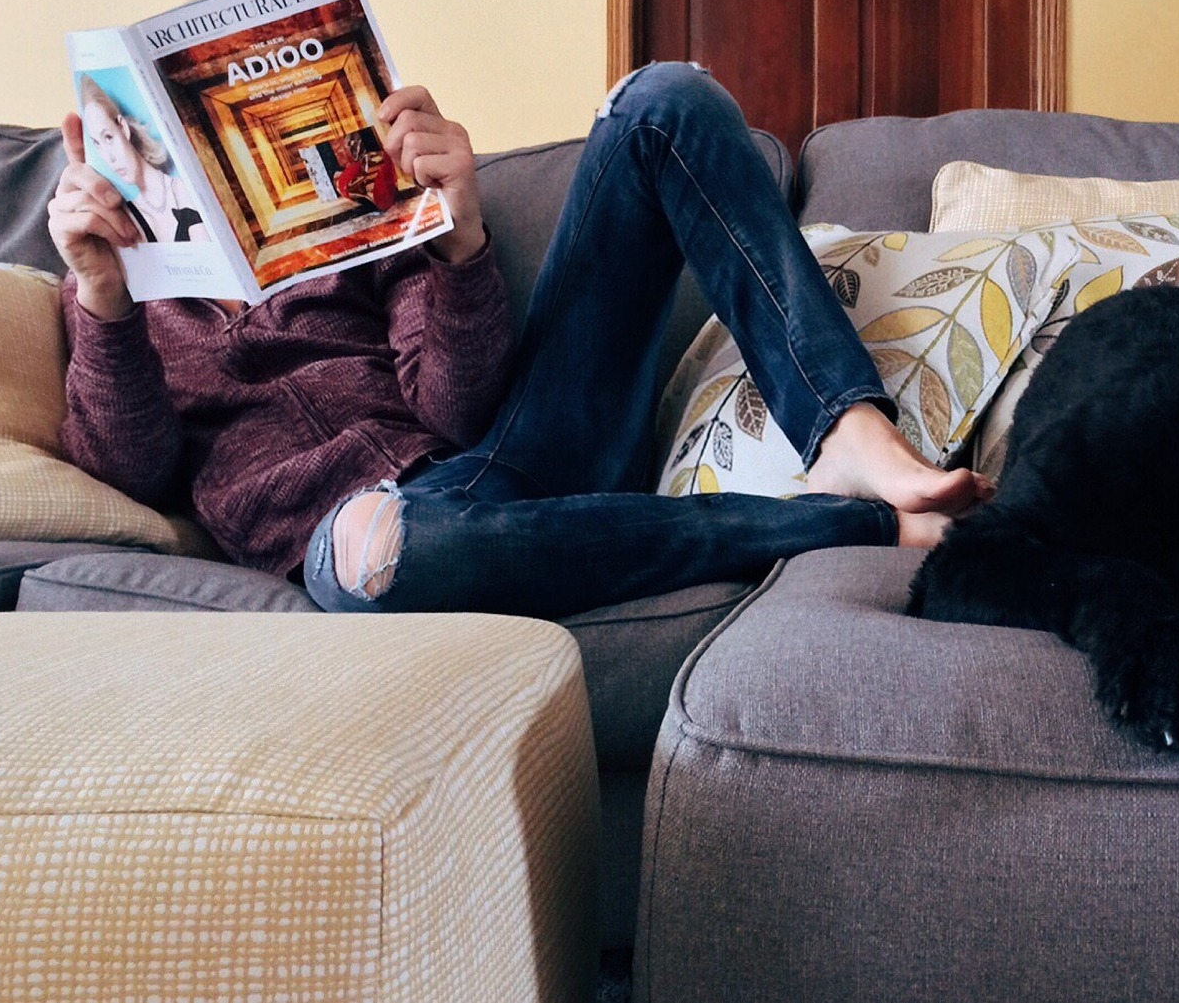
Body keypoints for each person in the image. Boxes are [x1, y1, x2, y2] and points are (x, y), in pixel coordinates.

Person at [49, 62, 989, 618]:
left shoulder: (344, 232)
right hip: (367, 538)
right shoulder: (109, 299)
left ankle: (849, 434)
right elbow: (128, 467)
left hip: (513, 446)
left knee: (663, 95)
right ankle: (851, 524)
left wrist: (456, 234)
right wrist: (106, 299)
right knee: (386, 543)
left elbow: (451, 405)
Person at [76, 76, 208, 243]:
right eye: (97, 144)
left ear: (123, 127)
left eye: (108, 137)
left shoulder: (186, 191)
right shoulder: (126, 218)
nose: (109, 158)